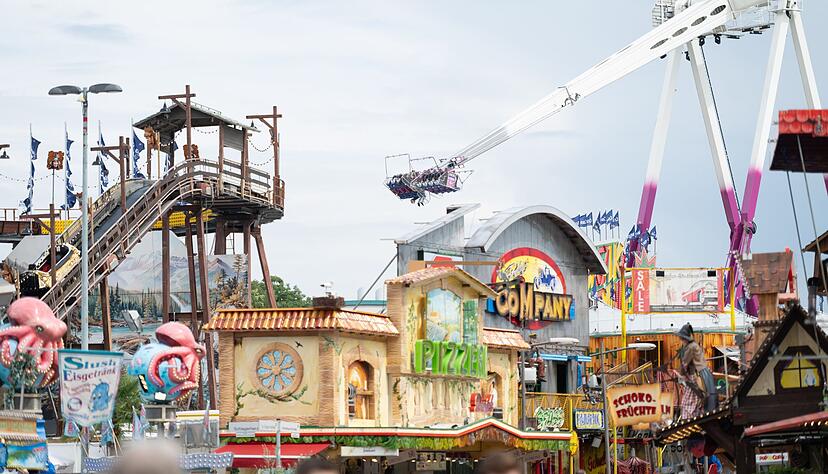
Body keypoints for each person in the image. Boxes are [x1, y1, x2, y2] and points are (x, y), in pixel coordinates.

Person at [676, 323, 717, 412]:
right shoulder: (695, 345)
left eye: (682, 339)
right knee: (707, 398)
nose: (681, 341)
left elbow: (684, 363)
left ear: (684, 339)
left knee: (688, 402)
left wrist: (680, 375)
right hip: (705, 374)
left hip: (698, 375)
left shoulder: (690, 347)